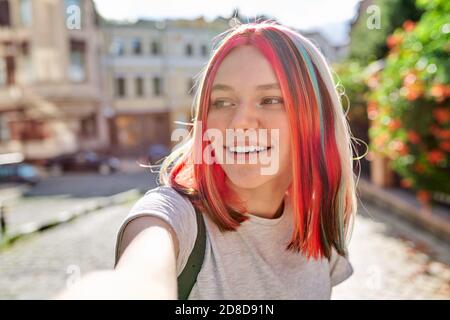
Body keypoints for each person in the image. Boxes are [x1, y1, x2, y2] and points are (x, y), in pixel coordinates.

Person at [57, 20, 358, 300]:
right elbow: (138, 275)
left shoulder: (319, 229)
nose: (239, 122)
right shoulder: (173, 216)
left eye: (271, 100)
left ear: (315, 119)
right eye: (222, 102)